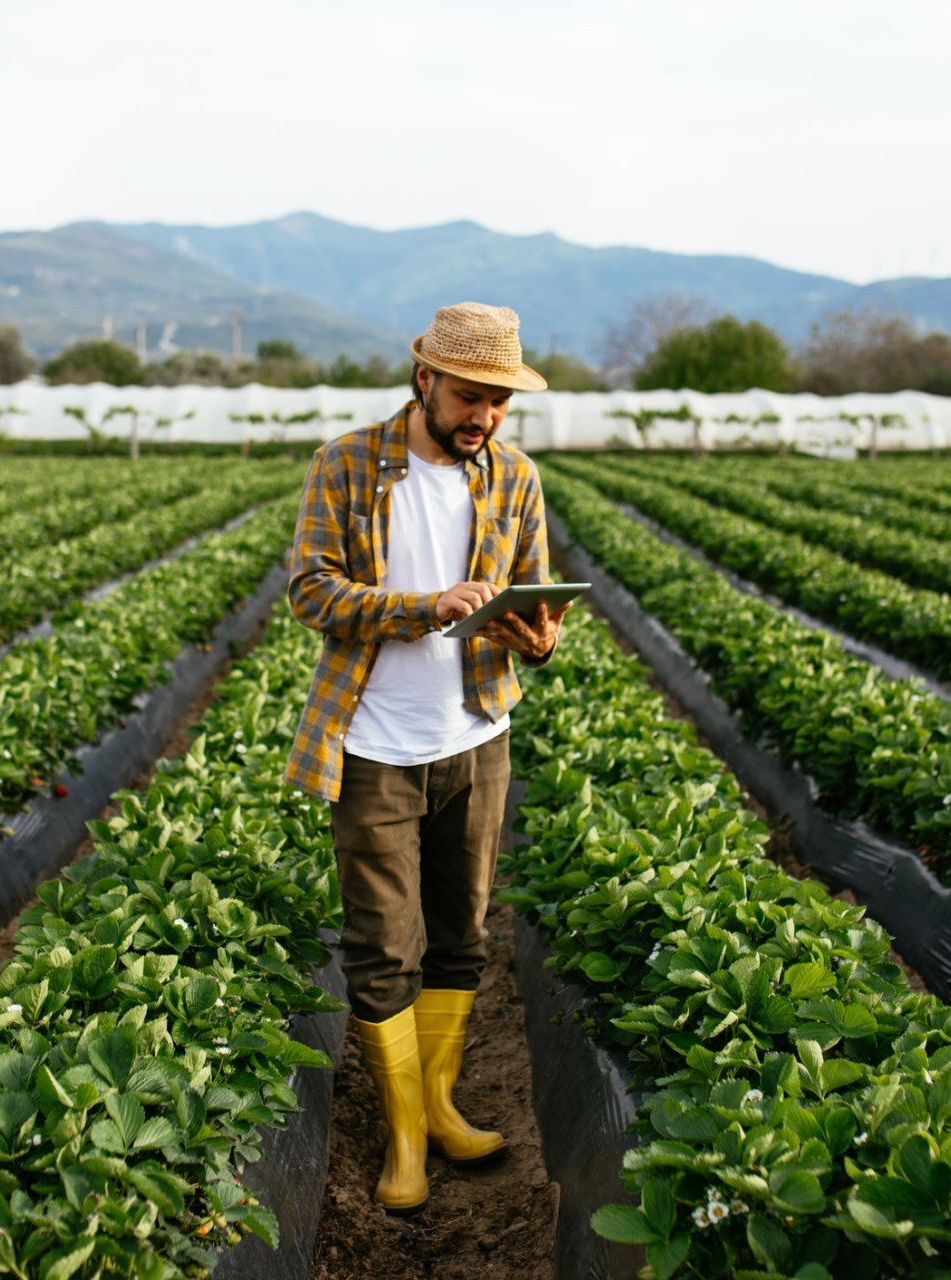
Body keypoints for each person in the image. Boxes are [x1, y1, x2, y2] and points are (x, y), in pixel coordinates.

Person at [283, 301, 570, 1213]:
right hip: (372, 743)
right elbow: (312, 591)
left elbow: (533, 605)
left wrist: (539, 635)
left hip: (477, 737)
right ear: (424, 380)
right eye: (469, 396)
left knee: (463, 938)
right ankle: (404, 1137)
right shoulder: (348, 464)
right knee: (382, 948)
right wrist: (422, 607)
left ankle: (440, 1106)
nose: (483, 416)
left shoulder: (515, 480)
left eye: (498, 402)